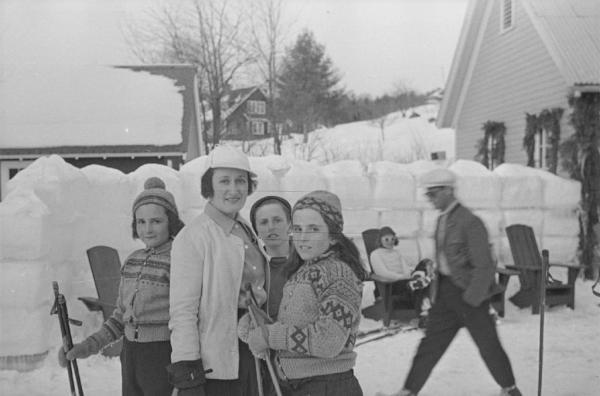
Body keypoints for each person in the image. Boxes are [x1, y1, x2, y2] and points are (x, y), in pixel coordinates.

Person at [388, 168, 521, 396]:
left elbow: (485, 266)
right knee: (430, 345)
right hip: (446, 294)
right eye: (428, 194)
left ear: (449, 191)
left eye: (434, 193)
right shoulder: (442, 220)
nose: (430, 199)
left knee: (488, 346)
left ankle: (509, 390)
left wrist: (472, 298)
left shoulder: (470, 222)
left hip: (469, 294)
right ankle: (408, 391)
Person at [58, 177, 184, 396]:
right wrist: (87, 346)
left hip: (164, 356)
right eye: (141, 222)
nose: (148, 229)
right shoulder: (133, 260)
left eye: (156, 221)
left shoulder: (180, 259)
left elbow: (189, 319)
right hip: (131, 355)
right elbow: (119, 318)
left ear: (171, 221)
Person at [166, 145, 269, 396]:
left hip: (255, 344)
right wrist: (187, 367)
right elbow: (183, 311)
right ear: (209, 186)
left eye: (240, 181)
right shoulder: (193, 237)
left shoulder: (244, 228)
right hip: (218, 355)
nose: (233, 189)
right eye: (224, 181)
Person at [243, 190, 367, 396]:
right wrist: (256, 324)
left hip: (327, 386)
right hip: (299, 385)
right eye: (298, 229)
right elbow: (296, 328)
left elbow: (328, 341)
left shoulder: (338, 273)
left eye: (313, 229)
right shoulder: (304, 270)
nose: (302, 238)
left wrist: (269, 335)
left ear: (334, 236)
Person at [369, 226, 432, 325]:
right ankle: (418, 284)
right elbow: (383, 273)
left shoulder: (397, 253)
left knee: (426, 262)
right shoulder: (375, 254)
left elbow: (406, 269)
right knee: (422, 284)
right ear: (380, 240)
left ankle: (417, 281)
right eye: (386, 239)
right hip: (391, 284)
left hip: (405, 281)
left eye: (392, 239)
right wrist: (403, 277)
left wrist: (409, 275)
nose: (390, 241)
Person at [249, 195, 293, 319]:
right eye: (263, 222)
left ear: (290, 225)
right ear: (257, 231)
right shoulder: (249, 268)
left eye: (277, 220)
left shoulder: (311, 263)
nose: (271, 227)